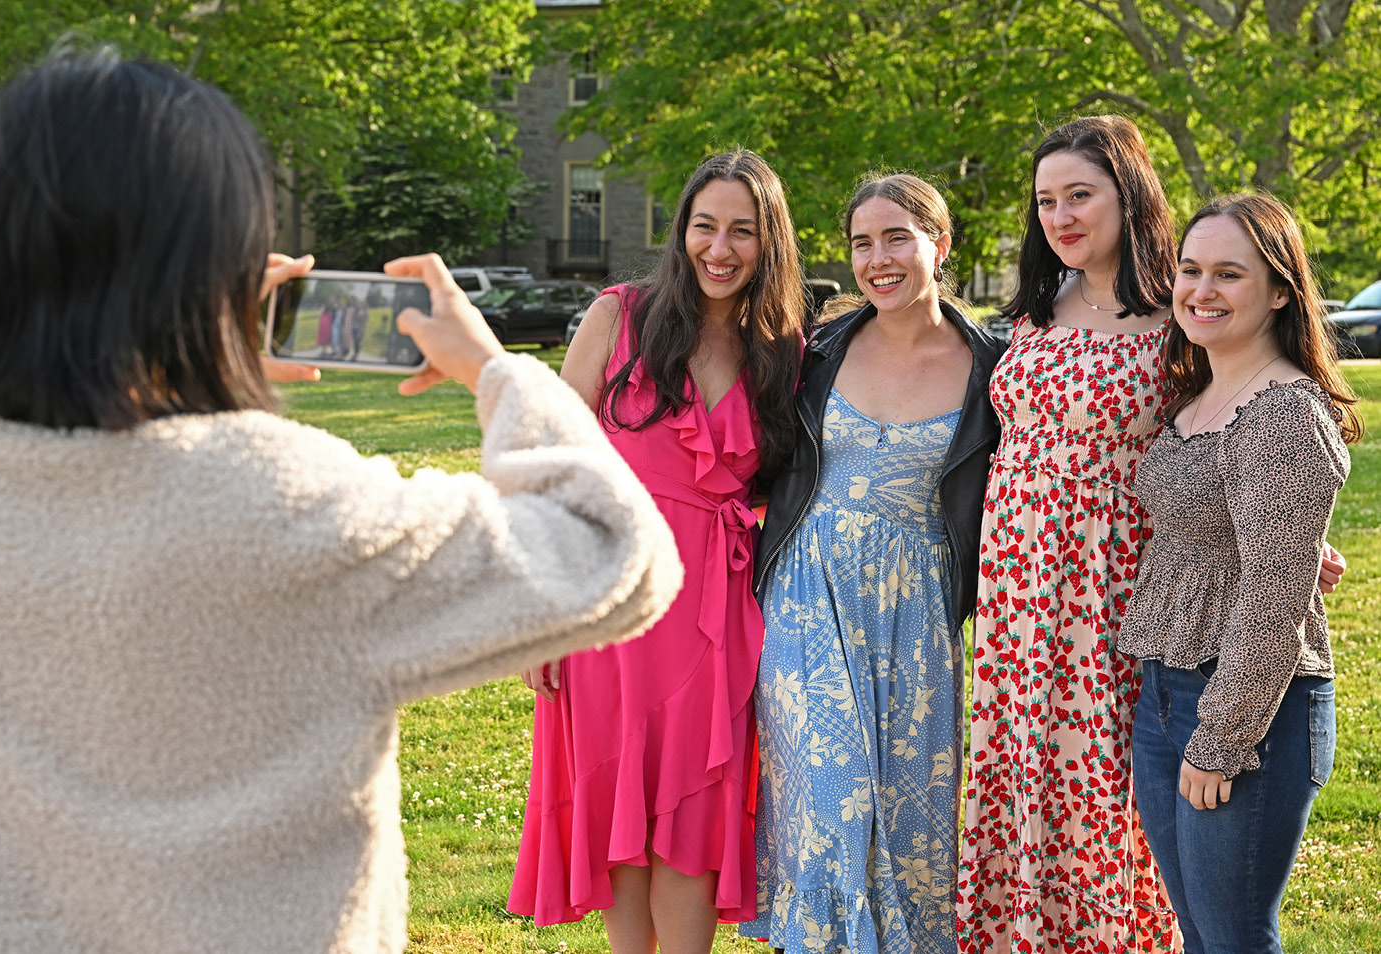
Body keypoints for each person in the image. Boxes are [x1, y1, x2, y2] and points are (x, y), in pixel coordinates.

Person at [0, 50, 682, 954]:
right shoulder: (283, 505)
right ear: (210, 263)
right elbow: (612, 551)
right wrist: (493, 371)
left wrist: (183, 361)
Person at [954, 116, 1348, 952]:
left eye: (1081, 196)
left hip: (1118, 594)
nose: (1061, 217)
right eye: (1046, 201)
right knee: (1028, 786)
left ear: (1128, 197)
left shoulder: (1183, 308)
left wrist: (1282, 549)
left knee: (1110, 803)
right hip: (1019, 600)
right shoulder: (1032, 308)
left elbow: (1255, 430)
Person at [508, 150, 808, 953]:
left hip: (715, 616)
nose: (721, 247)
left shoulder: (783, 351)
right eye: (705, 226)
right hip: (612, 602)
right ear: (681, 232)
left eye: (742, 231)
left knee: (694, 815)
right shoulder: (618, 316)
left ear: (767, 242)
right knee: (620, 818)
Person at [738, 173, 1005, 954]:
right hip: (805, 595)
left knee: (912, 813)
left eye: (897, 238)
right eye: (862, 242)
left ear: (939, 244)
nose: (878, 259)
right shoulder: (813, 351)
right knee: (830, 801)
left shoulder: (996, 366)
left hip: (919, 615)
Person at [1119, 193, 1360, 953]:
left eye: (1230, 273)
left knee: (1232, 938)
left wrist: (1221, 738)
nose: (1201, 290)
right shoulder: (1199, 397)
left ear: (1282, 290)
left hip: (1248, 707)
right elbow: (1239, 540)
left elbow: (1271, 602)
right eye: (1191, 270)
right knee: (1198, 934)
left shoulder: (1285, 412)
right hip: (1165, 692)